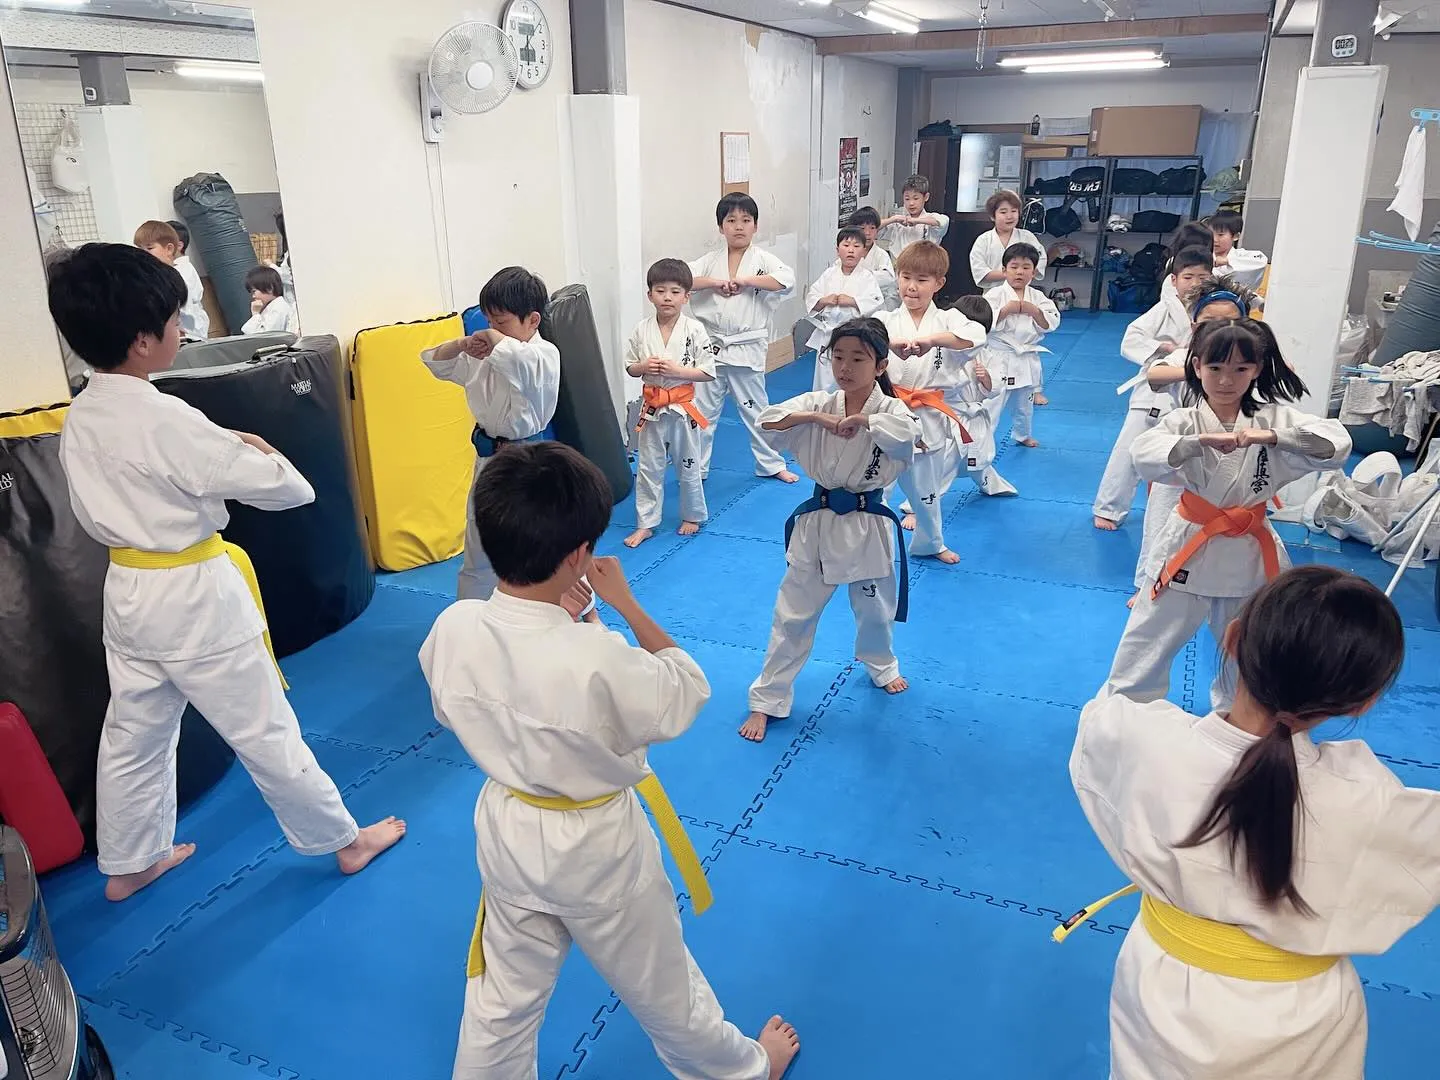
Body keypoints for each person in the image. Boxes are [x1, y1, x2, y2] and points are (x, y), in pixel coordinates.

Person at [418, 441, 800, 1080]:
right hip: (596, 849)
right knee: (661, 984)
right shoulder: (600, 661)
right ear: (579, 556)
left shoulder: (454, 627)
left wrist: (582, 618)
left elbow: (474, 698)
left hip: (508, 831)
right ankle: (743, 1071)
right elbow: (686, 690)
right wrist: (622, 606)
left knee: (501, 995)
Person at [46, 243, 405, 902]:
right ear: (141, 338)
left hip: (128, 594)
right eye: (175, 321)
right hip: (194, 597)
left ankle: (129, 862)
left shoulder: (83, 414)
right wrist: (258, 446)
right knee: (263, 729)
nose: (182, 331)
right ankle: (344, 841)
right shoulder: (164, 418)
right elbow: (285, 489)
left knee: (134, 732)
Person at [1068, 565, 1439, 1080]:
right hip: (1301, 1016)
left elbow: (1101, 720)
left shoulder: (1143, 741)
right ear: (1363, 701)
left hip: (1161, 987)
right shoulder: (1368, 801)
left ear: (1234, 637)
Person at [1104, 318, 1351, 711]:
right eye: (1215, 368)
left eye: (1240, 369)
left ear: (1256, 369)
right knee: (1146, 641)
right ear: (1196, 366)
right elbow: (1144, 454)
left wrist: (1273, 437)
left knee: (1249, 648)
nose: (1226, 380)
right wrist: (1194, 444)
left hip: (1249, 550)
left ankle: (1240, 719)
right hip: (1189, 543)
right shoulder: (1183, 421)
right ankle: (1124, 711)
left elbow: (1337, 444)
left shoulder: (1275, 420)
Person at [742, 318, 920, 743]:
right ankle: (768, 699)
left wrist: (865, 422)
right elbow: (768, 421)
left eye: (858, 358)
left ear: (879, 366)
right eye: (837, 356)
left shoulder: (891, 411)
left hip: (866, 524)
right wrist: (813, 419)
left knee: (876, 612)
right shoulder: (820, 402)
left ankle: (881, 665)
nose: (845, 366)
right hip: (818, 525)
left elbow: (908, 436)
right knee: (792, 616)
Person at [421, 266, 561, 603]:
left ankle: (560, 618)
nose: (491, 329)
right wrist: (461, 344)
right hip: (489, 459)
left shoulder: (543, 355)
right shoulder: (486, 354)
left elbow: (520, 364)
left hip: (530, 462)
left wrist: (496, 342)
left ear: (533, 320)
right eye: (488, 320)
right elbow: (437, 364)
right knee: (479, 546)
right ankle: (471, 621)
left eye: (501, 321)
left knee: (541, 548)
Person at [1127, 279, 1259, 597]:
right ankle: (1148, 584)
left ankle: (1221, 585)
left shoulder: (1247, 361)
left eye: (1229, 322)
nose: (1218, 329)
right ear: (1193, 325)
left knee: (1229, 524)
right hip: (1183, 452)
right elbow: (1154, 376)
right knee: (1162, 520)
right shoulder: (1188, 358)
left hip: (1234, 454)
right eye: (1208, 323)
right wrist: (1203, 370)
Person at [877, 241, 988, 563]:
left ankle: (930, 543)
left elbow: (976, 336)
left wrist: (930, 340)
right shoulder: (884, 319)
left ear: (939, 283)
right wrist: (889, 344)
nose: (911, 287)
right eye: (905, 276)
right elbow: (860, 339)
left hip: (927, 414)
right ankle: (873, 540)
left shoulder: (950, 320)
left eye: (922, 280)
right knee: (874, 484)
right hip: (889, 410)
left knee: (926, 491)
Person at [1092, 246, 1215, 531]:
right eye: (1188, 277)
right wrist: (1164, 347)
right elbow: (1131, 339)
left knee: (1193, 454)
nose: (1195, 283)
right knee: (1131, 449)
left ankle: (1197, 509)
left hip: (1199, 393)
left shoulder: (1215, 309)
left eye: (1202, 277)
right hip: (1155, 390)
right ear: (1173, 280)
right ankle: (1109, 508)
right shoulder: (1164, 308)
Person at [688, 193, 798, 484]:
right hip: (711, 348)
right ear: (720, 227)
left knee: (755, 410)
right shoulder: (710, 261)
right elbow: (685, 279)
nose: (739, 226)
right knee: (702, 411)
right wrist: (715, 283)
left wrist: (746, 281)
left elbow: (786, 280)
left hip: (746, 347)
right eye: (731, 220)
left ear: (755, 226)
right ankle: (696, 468)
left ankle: (771, 464)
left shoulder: (763, 260)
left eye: (745, 220)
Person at [624, 258, 717, 548]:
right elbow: (629, 367)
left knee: (688, 464)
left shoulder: (695, 330)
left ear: (687, 296)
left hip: (681, 409)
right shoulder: (641, 329)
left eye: (675, 291)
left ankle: (692, 515)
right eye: (660, 290)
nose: (667, 297)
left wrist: (677, 372)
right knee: (648, 468)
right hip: (652, 409)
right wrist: (644, 366)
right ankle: (646, 523)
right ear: (650, 294)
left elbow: (707, 371)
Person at [983, 243, 1060, 449]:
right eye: (1014, 266)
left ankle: (1022, 434)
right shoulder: (993, 296)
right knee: (992, 403)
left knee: (1024, 404)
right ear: (1004, 270)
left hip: (1025, 358)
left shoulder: (1038, 298)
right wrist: (1005, 311)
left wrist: (1033, 311)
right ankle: (983, 438)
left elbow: (1050, 324)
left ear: (1034, 273)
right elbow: (982, 322)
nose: (1019, 272)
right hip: (999, 356)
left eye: (1026, 267)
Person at [807, 226, 885, 392]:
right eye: (846, 245)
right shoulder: (828, 274)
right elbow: (812, 297)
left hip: (854, 333)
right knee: (824, 378)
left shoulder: (867, 277)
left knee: (849, 374)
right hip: (828, 334)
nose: (851, 250)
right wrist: (823, 300)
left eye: (856, 246)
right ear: (837, 250)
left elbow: (876, 300)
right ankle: (822, 411)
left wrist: (853, 301)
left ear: (864, 251)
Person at [948, 294, 1011, 496]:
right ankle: (918, 504)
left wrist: (986, 379)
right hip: (950, 414)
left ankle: (992, 486)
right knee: (945, 462)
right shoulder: (944, 349)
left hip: (974, 415)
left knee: (980, 459)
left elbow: (997, 387)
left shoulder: (989, 354)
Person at [135, 220, 208, 342]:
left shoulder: (183, 273)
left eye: (149, 248)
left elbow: (182, 310)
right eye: (139, 249)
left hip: (188, 337)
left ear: (169, 249)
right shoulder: (160, 273)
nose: (143, 254)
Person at [969, 189, 1048, 290]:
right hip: (992, 296)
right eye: (1003, 212)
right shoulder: (983, 240)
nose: (1009, 216)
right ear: (993, 216)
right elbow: (980, 272)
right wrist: (1013, 274)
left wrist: (1019, 274)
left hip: (1022, 293)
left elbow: (1040, 262)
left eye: (1014, 211)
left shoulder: (1027, 237)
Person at [878, 175, 949, 257]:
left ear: (926, 197)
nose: (911, 203)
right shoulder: (898, 222)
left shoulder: (931, 219)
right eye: (907, 199)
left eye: (916, 198)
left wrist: (917, 221)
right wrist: (893, 219)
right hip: (900, 266)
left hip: (924, 266)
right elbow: (874, 227)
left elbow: (944, 221)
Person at [848, 206, 897, 309]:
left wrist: (861, 275)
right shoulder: (849, 253)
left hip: (877, 306)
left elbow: (888, 279)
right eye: (862, 228)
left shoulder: (881, 255)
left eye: (872, 228)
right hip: (851, 304)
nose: (867, 233)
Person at [1209, 209, 1269, 290]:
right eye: (1211, 234)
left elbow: (1262, 260)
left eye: (1220, 235)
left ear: (1236, 236)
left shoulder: (1243, 256)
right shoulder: (1203, 256)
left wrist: (1228, 261)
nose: (1215, 239)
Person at [241, 266, 298, 335]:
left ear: (269, 288)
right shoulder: (270, 307)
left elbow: (265, 337)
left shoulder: (279, 308)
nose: (253, 296)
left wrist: (255, 314)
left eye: (254, 291)